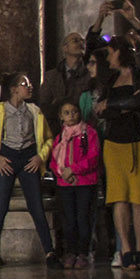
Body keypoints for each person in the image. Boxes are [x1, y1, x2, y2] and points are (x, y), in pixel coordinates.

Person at [95, 32, 140, 272]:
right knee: (118, 198)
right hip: (114, 142)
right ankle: (125, 249)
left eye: (111, 51)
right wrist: (118, 107)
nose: (108, 57)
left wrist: (114, 105)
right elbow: (99, 110)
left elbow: (139, 102)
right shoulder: (109, 79)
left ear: (122, 52)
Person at [0, 73, 58, 268]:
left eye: (29, 84)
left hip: (28, 158)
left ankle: (50, 251)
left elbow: (48, 138)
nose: (29, 87)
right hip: (7, 158)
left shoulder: (34, 111)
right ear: (13, 89)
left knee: (36, 206)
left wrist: (40, 157)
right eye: (24, 84)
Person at [49, 100, 101, 268]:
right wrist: (62, 172)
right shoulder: (60, 137)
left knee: (83, 218)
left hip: (85, 183)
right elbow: (54, 160)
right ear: (60, 116)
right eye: (66, 112)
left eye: (74, 112)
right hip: (65, 184)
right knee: (69, 220)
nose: (71, 115)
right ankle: (70, 252)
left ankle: (83, 253)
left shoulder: (88, 133)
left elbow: (92, 157)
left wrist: (73, 170)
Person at [38, 32, 90, 117]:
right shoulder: (51, 76)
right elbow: (44, 104)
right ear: (65, 48)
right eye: (75, 41)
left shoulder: (89, 74)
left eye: (83, 41)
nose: (81, 43)